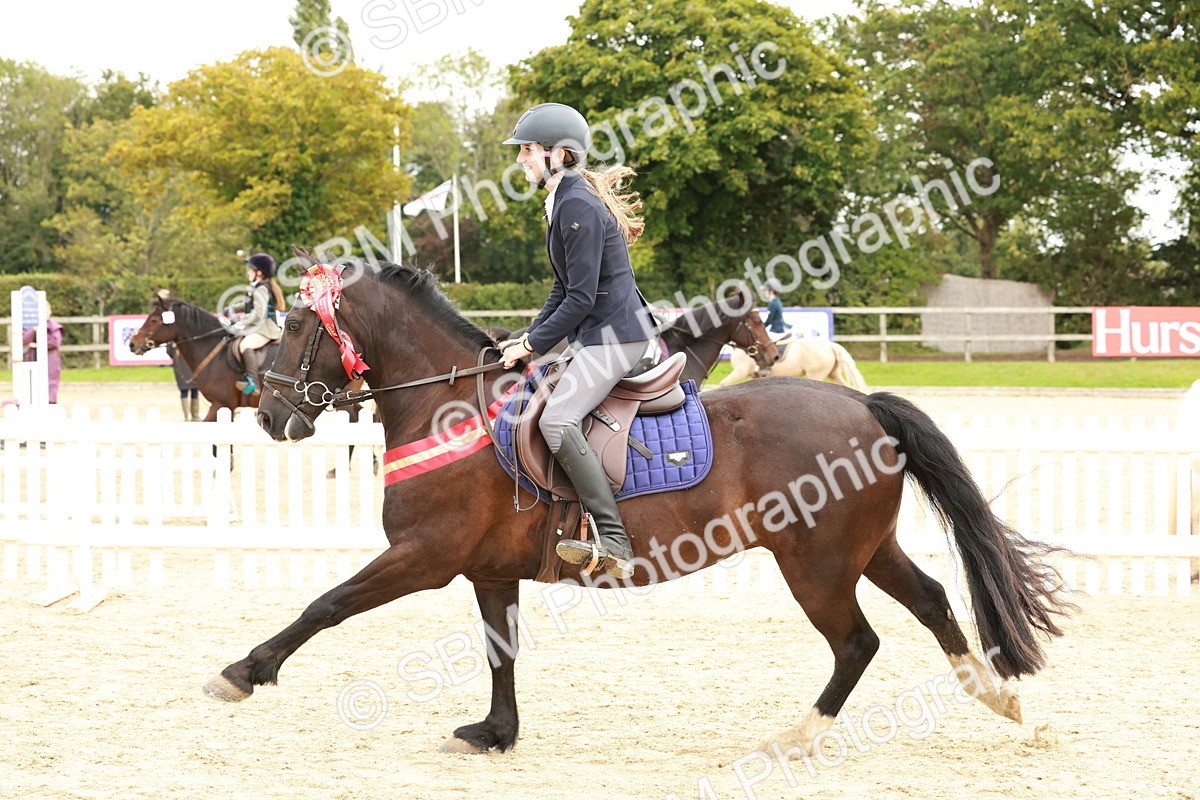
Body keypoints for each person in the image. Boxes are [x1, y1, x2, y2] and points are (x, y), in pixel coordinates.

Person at [498, 102, 657, 580]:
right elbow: (562, 289)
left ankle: (613, 539)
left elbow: (582, 297)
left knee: (557, 420)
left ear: (559, 154)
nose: (521, 159)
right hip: (596, 334)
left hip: (614, 338)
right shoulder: (563, 200)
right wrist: (530, 337)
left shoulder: (577, 205)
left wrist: (531, 346)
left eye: (527, 150)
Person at [233, 252, 285, 395]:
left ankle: (253, 383)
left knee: (245, 344)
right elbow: (247, 305)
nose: (248, 272)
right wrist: (232, 309)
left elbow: (258, 314)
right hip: (258, 327)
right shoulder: (256, 286)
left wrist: (239, 320)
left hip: (265, 329)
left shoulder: (262, 288)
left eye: (250, 269)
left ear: (259, 273)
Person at [22, 300, 63, 403]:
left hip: (50, 358)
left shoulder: (54, 327)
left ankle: (51, 401)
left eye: (45, 312)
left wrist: (38, 345)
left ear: (50, 311)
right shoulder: (30, 327)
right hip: (33, 357)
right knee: (32, 379)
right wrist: (34, 329)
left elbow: (54, 342)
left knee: (50, 380)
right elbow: (24, 340)